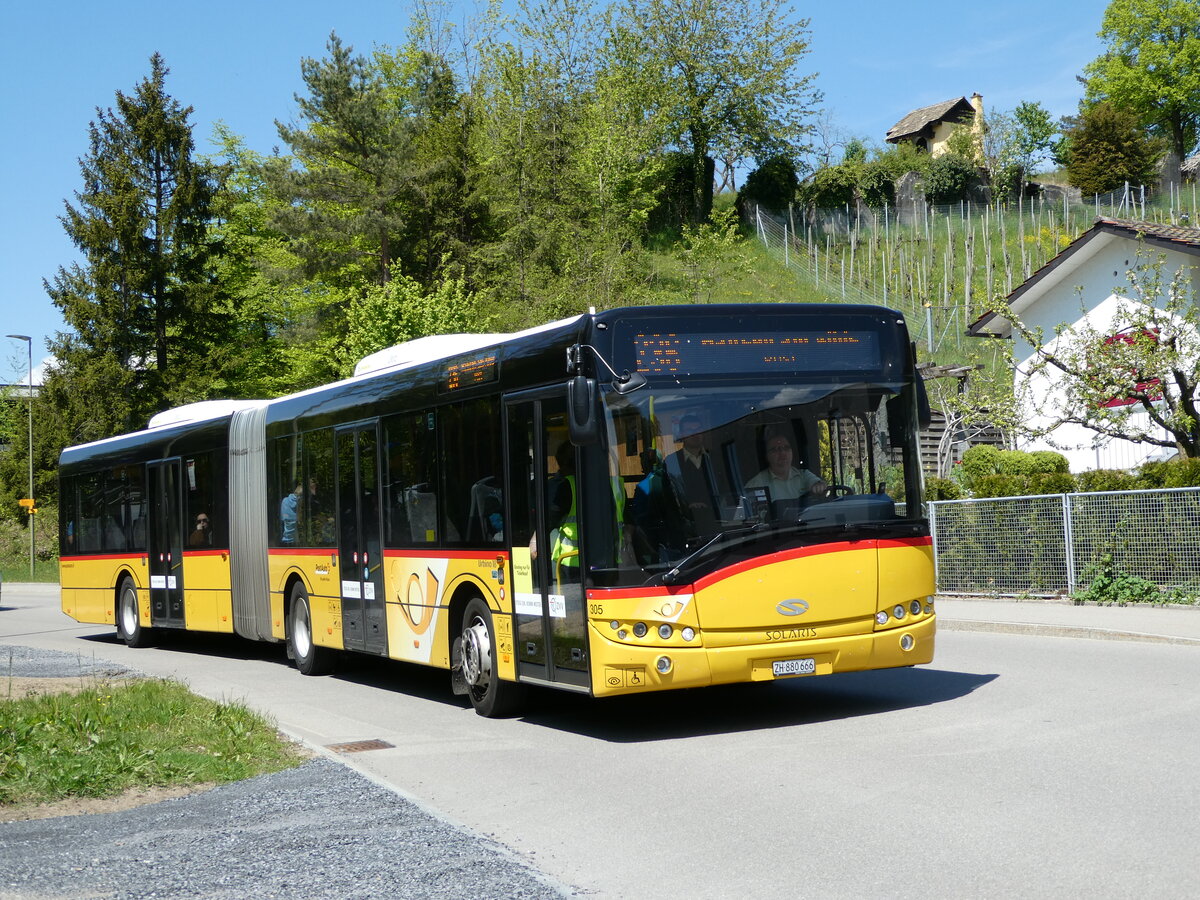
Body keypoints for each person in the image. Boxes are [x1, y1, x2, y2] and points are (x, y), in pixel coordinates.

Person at [664, 413, 721, 536]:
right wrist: (687, 506)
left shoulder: (716, 459)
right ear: (681, 435)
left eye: (698, 430)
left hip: (716, 523)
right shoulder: (672, 461)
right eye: (689, 430)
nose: (695, 434)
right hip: (685, 527)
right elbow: (667, 496)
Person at [745, 433, 827, 503]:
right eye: (775, 449)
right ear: (767, 456)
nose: (782, 453)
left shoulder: (804, 475)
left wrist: (819, 486)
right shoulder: (756, 483)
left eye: (786, 448)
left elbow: (819, 485)